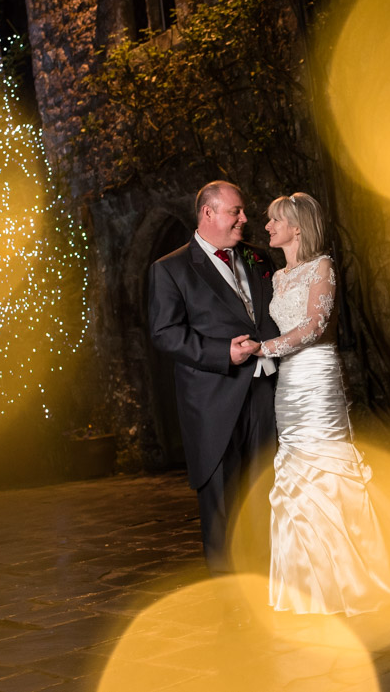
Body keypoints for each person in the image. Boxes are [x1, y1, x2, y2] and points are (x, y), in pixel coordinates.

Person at [256, 192, 390, 615]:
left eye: (274, 221)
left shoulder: (323, 267)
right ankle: (309, 586)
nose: (267, 227)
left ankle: (355, 582)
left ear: (297, 228)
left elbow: (316, 325)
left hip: (317, 378)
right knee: (295, 476)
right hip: (288, 385)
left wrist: (265, 348)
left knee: (328, 471)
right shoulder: (279, 278)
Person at [147, 180, 279, 575]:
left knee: (268, 489)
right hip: (213, 402)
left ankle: (269, 582)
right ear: (208, 213)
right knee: (222, 501)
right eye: (235, 212)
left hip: (265, 392)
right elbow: (164, 334)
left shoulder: (258, 259)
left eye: (242, 212)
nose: (244, 218)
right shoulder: (169, 269)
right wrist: (223, 353)